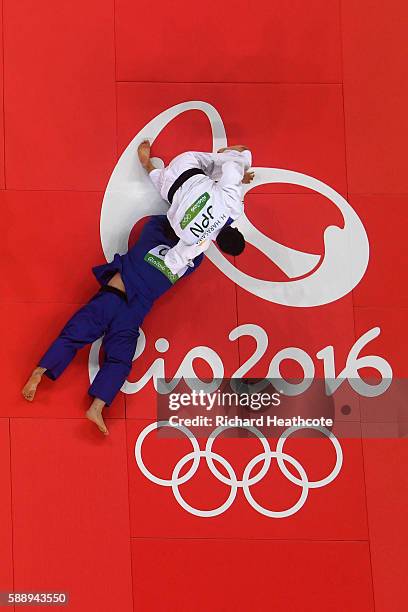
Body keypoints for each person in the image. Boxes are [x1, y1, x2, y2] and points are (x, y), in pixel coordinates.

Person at [22, 216, 204, 436]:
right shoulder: (184, 264)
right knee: (114, 359)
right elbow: (197, 250)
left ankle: (47, 378)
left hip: (117, 303)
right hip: (126, 310)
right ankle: (87, 401)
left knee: (80, 340)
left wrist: (185, 216)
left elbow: (166, 223)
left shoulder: (152, 236)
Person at [138, 141, 254, 275]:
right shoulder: (199, 244)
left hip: (186, 165)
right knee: (169, 191)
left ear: (236, 229)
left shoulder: (233, 208)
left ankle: (225, 153)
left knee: (243, 157)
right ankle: (147, 165)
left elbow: (231, 168)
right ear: (219, 246)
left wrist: (240, 175)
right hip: (166, 188)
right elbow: (171, 262)